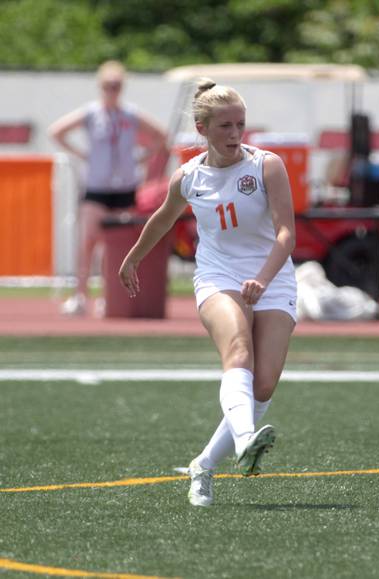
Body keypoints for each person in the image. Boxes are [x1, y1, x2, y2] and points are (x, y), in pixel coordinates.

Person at [118, 79, 297, 507]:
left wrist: (264, 278)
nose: (235, 135)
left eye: (241, 125)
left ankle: (203, 465)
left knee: (264, 386)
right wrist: (131, 259)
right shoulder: (188, 176)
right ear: (202, 129)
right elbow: (162, 220)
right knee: (238, 352)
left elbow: (287, 232)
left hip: (271, 276)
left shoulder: (266, 165)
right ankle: (245, 441)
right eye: (225, 127)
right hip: (217, 277)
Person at [49, 60, 167, 316]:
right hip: (97, 186)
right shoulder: (91, 114)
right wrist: (82, 155)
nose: (112, 90)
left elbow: (161, 135)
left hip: (124, 186)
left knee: (114, 246)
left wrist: (141, 157)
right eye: (107, 85)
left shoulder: (130, 115)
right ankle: (80, 296)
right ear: (100, 86)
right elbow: (56, 131)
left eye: (116, 85)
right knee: (89, 240)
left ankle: (109, 297)